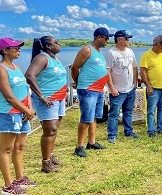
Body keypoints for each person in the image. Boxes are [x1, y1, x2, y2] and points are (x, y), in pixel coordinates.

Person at [0, 37, 36, 195]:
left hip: (22, 111)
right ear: (5, 50)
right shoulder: (0, 69)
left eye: (18, 47)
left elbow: (24, 89)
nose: (18, 50)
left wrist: (28, 107)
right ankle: (8, 185)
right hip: (9, 113)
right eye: (15, 48)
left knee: (20, 146)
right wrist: (27, 110)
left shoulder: (16, 66)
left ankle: (20, 178)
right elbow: (9, 97)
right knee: (7, 149)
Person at [25, 36, 67, 172]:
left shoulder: (55, 58)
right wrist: (41, 96)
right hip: (48, 100)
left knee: (55, 129)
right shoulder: (42, 58)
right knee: (50, 130)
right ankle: (45, 163)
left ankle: (50, 155)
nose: (59, 44)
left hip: (59, 99)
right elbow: (29, 75)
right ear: (48, 46)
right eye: (56, 42)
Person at [71, 27, 112, 157]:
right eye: (106, 38)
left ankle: (92, 142)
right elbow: (74, 68)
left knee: (94, 117)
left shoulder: (99, 52)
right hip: (88, 89)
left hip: (99, 90)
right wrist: (78, 83)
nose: (108, 41)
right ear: (98, 37)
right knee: (86, 118)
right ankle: (79, 146)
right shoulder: (87, 50)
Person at [105, 30, 139, 143]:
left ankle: (128, 131)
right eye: (126, 39)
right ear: (119, 40)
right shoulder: (111, 53)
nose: (128, 41)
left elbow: (134, 67)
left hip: (130, 88)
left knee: (128, 111)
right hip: (117, 90)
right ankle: (112, 135)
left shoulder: (130, 51)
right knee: (114, 113)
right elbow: (107, 71)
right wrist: (112, 88)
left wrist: (135, 84)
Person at [140, 35, 162, 137]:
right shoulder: (146, 55)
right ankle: (151, 130)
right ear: (156, 44)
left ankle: (161, 128)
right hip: (153, 87)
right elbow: (143, 72)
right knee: (151, 110)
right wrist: (148, 86)